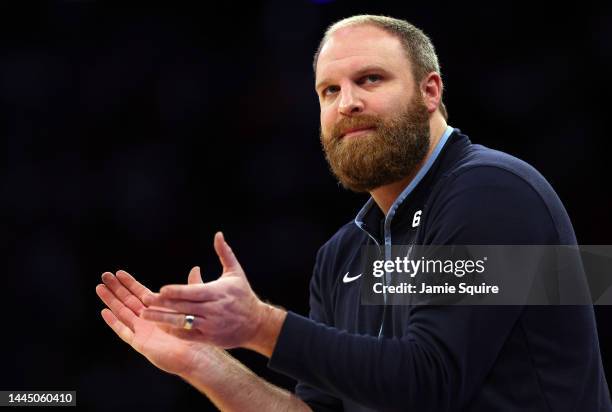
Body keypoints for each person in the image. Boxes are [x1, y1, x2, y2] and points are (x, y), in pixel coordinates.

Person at [96, 15, 611, 411]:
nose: (347, 104)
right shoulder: (342, 253)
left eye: (370, 80)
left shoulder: (495, 190)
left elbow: (430, 382)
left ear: (430, 92)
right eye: (330, 91)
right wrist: (205, 365)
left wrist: (258, 326)